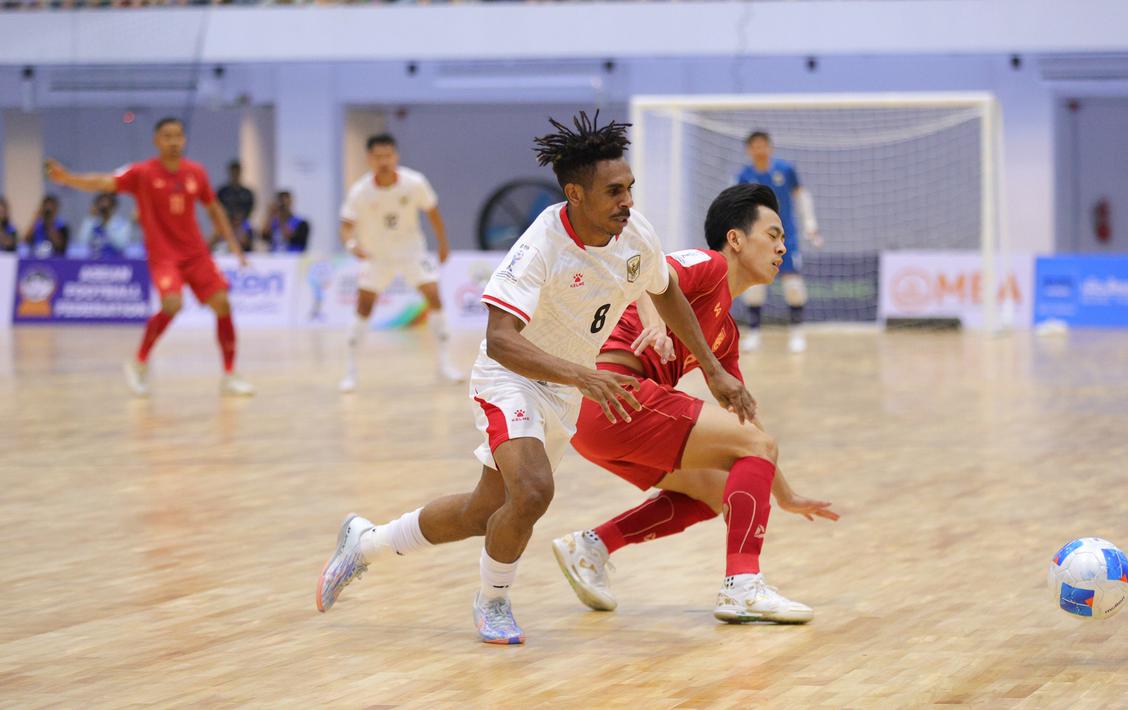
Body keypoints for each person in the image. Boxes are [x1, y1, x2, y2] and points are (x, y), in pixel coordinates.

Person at [315, 111, 756, 645]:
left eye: (629, 188)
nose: (627, 201)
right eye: (614, 191)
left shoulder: (635, 233)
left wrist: (711, 370)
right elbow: (501, 339)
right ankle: (493, 603)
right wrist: (583, 375)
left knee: (486, 511)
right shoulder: (540, 246)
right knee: (532, 491)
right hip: (511, 376)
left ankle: (365, 543)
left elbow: (665, 290)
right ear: (575, 193)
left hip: (565, 387)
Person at [553, 183, 839, 624]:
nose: (783, 247)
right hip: (611, 392)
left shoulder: (726, 329)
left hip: (602, 420)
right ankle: (742, 586)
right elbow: (649, 278)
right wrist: (655, 326)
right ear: (736, 239)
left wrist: (786, 494)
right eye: (773, 235)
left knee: (718, 490)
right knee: (752, 449)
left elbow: (750, 425)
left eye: (784, 240)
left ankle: (593, 545)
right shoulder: (708, 265)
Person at [45, 117, 256, 397]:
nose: (173, 141)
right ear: (156, 141)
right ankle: (139, 363)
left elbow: (214, 210)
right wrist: (68, 179)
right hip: (164, 255)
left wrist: (235, 246)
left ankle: (229, 375)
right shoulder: (142, 173)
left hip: (196, 254)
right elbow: (104, 182)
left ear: (184, 140)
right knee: (172, 304)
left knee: (222, 304)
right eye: (167, 136)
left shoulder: (196, 172)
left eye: (178, 136)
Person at [337, 133, 460, 390]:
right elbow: (346, 226)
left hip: (411, 252)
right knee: (364, 307)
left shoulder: (414, 183)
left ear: (396, 156)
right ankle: (350, 371)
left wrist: (443, 244)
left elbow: (433, 214)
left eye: (388, 155)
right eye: (378, 156)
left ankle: (445, 363)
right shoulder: (360, 191)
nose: (384, 161)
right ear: (369, 159)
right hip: (377, 257)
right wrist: (351, 245)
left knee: (434, 296)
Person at [736, 131, 822, 354]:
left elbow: (802, 197)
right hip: (757, 239)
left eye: (763, 145)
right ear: (749, 150)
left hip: (787, 237)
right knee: (754, 288)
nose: (760, 149)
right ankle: (754, 334)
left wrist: (811, 225)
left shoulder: (785, 170)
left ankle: (797, 333)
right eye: (755, 146)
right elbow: (740, 207)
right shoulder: (744, 176)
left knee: (793, 286)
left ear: (770, 147)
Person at [77, 192, 134, 259]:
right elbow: (82, 241)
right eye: (101, 203)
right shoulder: (93, 223)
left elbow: (121, 245)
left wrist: (107, 223)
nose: (104, 206)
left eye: (107, 203)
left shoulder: (122, 224)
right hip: (94, 263)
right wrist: (90, 218)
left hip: (116, 263)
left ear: (113, 206)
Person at [216, 159, 255, 225]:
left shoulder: (247, 193)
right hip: (226, 224)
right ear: (230, 172)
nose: (235, 175)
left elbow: (250, 210)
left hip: (242, 224)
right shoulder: (222, 192)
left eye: (237, 172)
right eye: (233, 172)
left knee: (249, 229)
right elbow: (217, 208)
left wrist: (240, 218)